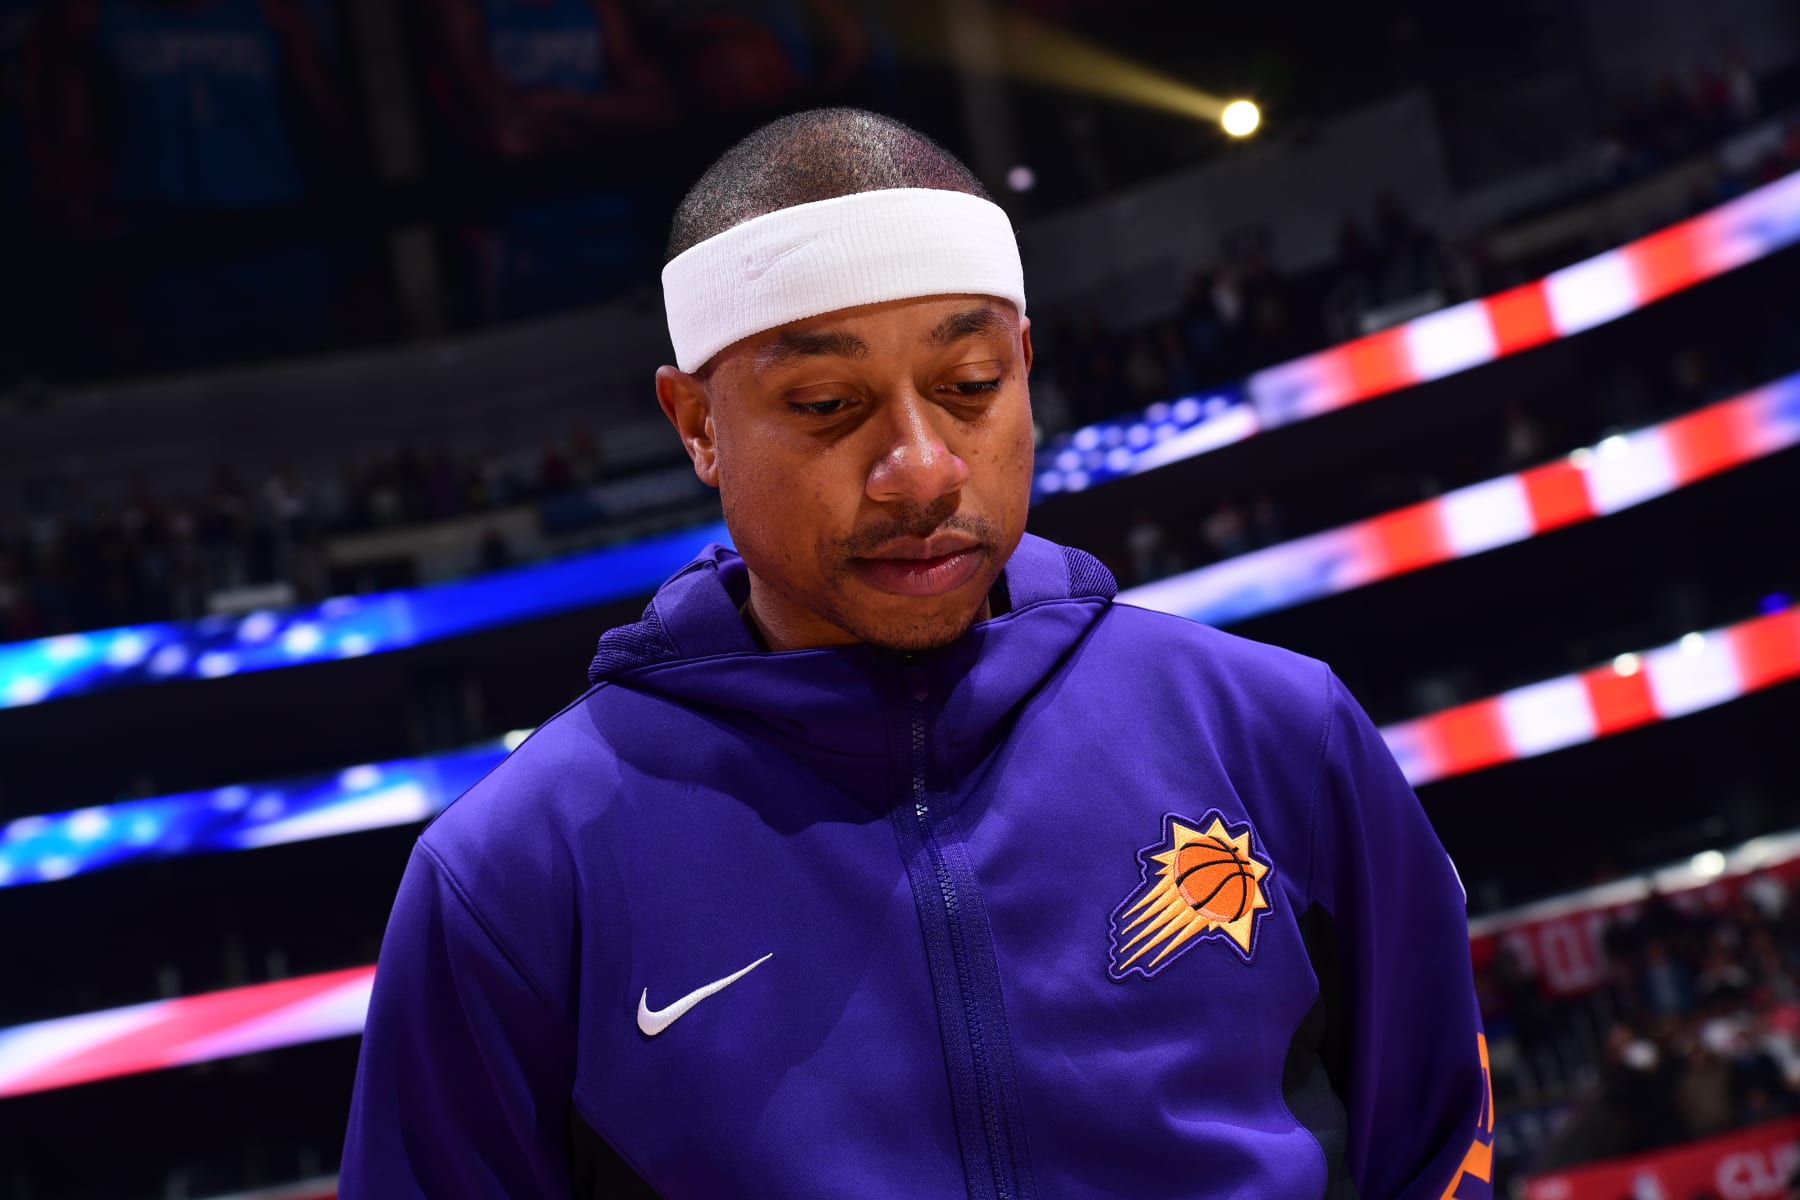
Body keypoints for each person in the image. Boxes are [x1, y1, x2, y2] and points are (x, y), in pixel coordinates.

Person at [342, 107, 1494, 1198]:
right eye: (832, 403)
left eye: (968, 389)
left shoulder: (1275, 730)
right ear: (696, 424)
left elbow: (1441, 1140)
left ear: (1025, 368)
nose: (922, 467)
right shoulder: (516, 875)